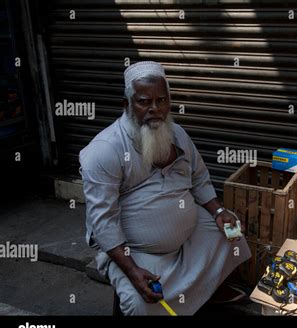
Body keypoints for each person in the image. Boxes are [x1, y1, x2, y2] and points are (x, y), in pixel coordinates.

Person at [79, 61, 251, 315]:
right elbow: (102, 222)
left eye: (161, 100)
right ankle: (161, 288)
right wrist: (133, 271)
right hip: (135, 250)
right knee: (141, 305)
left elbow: (199, 177)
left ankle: (211, 291)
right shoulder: (104, 150)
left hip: (189, 234)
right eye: (144, 102)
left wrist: (217, 212)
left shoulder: (178, 134)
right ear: (127, 106)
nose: (155, 109)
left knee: (232, 235)